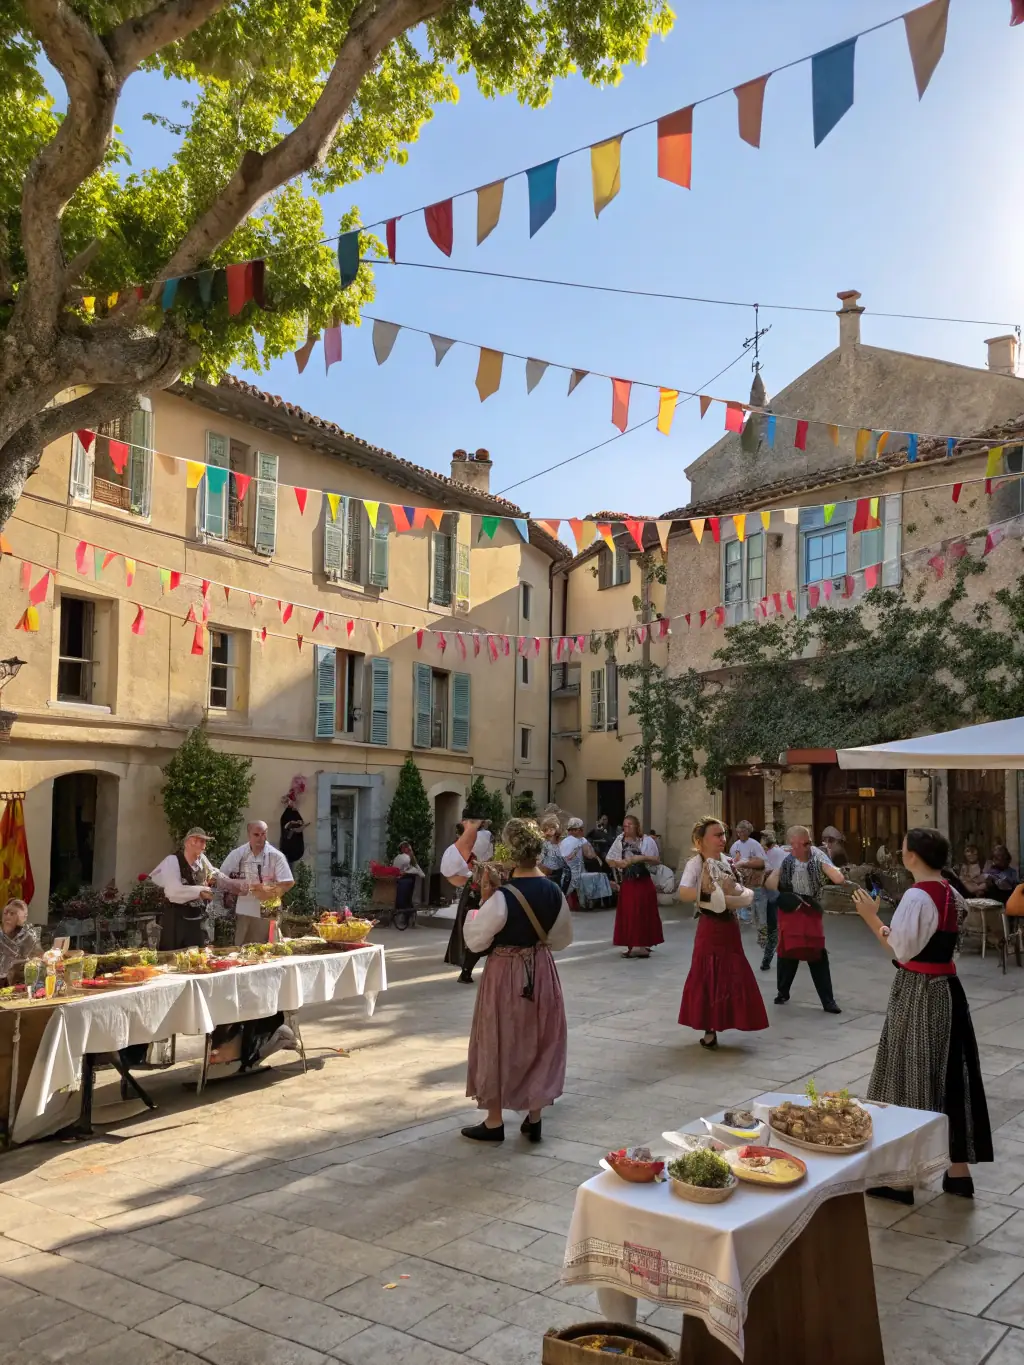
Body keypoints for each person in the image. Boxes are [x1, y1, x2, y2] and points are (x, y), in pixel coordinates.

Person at [852, 828, 993, 1202]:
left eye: (903, 849)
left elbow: (900, 953)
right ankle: (958, 1174)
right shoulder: (951, 892)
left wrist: (870, 916)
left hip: (919, 992)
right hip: (948, 990)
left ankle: (899, 1180)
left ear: (911, 856)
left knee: (907, 1075)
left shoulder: (918, 896)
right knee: (950, 1075)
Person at [461, 818, 573, 1143]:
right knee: (540, 1040)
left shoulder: (502, 896)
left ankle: (494, 1121)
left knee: (498, 1040)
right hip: (542, 969)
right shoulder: (554, 891)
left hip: (506, 972)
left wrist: (483, 899)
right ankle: (534, 1117)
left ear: (510, 853)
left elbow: (475, 941)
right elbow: (562, 938)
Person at [677, 818, 768, 1049]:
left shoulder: (728, 861)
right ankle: (709, 1029)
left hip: (730, 925)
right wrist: (711, 897)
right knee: (708, 974)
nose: (722, 839)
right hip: (710, 925)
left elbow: (744, 889)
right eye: (717, 835)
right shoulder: (696, 863)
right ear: (701, 841)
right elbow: (684, 893)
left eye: (723, 834)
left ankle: (733, 1019)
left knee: (732, 973)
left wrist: (741, 896)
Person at [765, 825, 846, 1013]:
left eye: (805, 844)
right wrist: (781, 895)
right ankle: (782, 991)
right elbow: (770, 884)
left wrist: (822, 860)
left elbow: (838, 878)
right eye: (796, 845)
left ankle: (828, 1001)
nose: (799, 848)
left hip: (810, 908)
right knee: (787, 953)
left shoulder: (817, 856)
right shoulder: (786, 857)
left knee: (816, 953)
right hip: (790, 908)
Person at [149, 828, 244, 950]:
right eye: (200, 841)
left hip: (197, 917)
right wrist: (200, 891)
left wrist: (234, 884)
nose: (204, 846)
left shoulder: (202, 859)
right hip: (176, 918)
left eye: (205, 842)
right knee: (173, 957)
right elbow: (173, 891)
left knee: (198, 956)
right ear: (189, 842)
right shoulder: (172, 861)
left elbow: (214, 873)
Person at [219, 822, 294, 946]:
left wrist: (269, 891)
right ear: (249, 835)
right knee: (243, 946)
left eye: (263, 834)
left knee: (269, 946)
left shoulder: (276, 856)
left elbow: (288, 882)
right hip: (245, 906)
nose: (260, 838)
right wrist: (234, 885)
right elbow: (221, 877)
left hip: (268, 908)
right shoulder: (238, 853)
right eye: (256, 835)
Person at [607, 815, 663, 960]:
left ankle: (644, 945)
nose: (627, 828)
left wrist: (640, 858)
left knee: (644, 912)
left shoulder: (647, 841)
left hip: (644, 881)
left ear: (637, 826)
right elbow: (609, 859)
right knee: (630, 913)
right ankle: (632, 945)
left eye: (630, 825)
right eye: (625, 825)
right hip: (629, 882)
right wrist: (619, 864)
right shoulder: (620, 841)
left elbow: (656, 860)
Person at [442, 813, 485, 983]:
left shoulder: (465, 850)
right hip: (473, 890)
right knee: (472, 927)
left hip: (473, 888)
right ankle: (465, 965)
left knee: (469, 926)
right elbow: (459, 871)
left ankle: (463, 962)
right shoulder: (457, 851)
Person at [758, 830, 786, 972]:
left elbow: (774, 872)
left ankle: (767, 960)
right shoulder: (773, 852)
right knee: (775, 929)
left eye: (762, 839)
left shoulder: (775, 853)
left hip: (776, 895)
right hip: (774, 895)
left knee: (773, 930)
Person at [0, 899, 42, 985]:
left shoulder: (29, 936)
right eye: (5, 913)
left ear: (23, 918)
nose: (7, 916)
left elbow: (39, 958)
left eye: (12, 914)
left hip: (21, 983)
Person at [559, 818, 596, 911]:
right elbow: (590, 855)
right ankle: (585, 904)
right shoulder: (581, 841)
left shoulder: (562, 842)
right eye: (581, 829)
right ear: (575, 830)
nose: (582, 831)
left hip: (565, 872)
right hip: (578, 872)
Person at [539, 816, 573, 894]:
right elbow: (540, 860)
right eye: (548, 828)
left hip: (562, 873)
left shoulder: (563, 842)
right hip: (549, 873)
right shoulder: (544, 843)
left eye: (552, 827)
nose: (550, 830)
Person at [393, 840, 424, 915]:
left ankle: (406, 914)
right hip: (402, 881)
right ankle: (406, 913)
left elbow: (422, 874)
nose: (404, 850)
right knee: (404, 899)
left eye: (407, 848)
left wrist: (408, 872)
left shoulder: (410, 860)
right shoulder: (401, 858)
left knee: (405, 899)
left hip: (406, 881)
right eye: (403, 848)